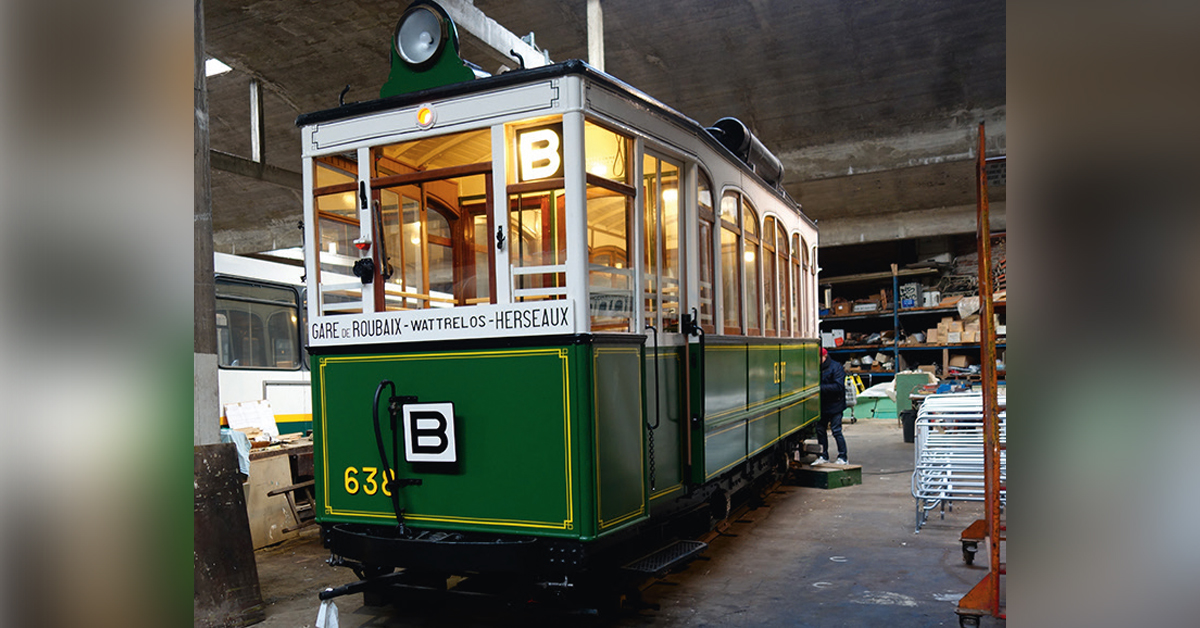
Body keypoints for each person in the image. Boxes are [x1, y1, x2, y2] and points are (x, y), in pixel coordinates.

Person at [814, 347, 848, 465]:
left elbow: (838, 386)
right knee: (820, 431)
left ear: (824, 356)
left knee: (836, 431)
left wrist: (819, 388)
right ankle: (823, 456)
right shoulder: (817, 367)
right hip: (823, 405)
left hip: (835, 405)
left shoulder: (836, 367)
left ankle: (843, 457)